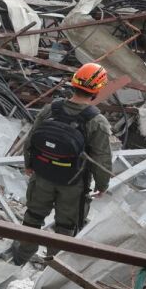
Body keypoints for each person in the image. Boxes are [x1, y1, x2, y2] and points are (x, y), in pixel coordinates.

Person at [13, 63, 115, 265]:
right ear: (97, 90)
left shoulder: (51, 109)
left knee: (33, 216)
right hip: (73, 183)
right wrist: (102, 185)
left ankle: (21, 256)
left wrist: (29, 165)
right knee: (65, 227)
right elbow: (102, 158)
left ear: (74, 84)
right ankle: (54, 267)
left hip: (42, 175)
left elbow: (31, 140)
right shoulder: (96, 121)